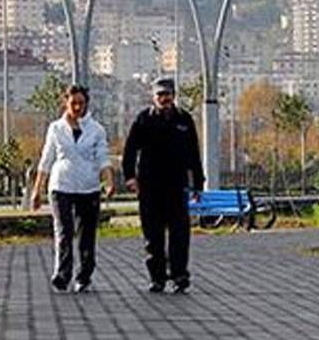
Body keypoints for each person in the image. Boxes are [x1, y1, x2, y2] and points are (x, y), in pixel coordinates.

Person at [122, 77, 204, 294]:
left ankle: (179, 275)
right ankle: (157, 277)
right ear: (153, 97)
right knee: (153, 236)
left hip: (176, 186)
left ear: (174, 96)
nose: (164, 98)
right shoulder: (143, 120)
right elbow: (130, 150)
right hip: (150, 187)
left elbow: (193, 154)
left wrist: (198, 184)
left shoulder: (184, 120)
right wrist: (130, 176)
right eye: (160, 95)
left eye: (168, 94)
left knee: (179, 235)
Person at [31, 85, 114, 294]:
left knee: (87, 234)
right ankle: (62, 274)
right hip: (62, 186)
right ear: (65, 103)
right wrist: (37, 189)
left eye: (81, 103)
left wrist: (109, 181)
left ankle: (84, 275)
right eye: (73, 103)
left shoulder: (96, 129)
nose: (77, 107)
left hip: (89, 187)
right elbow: (46, 159)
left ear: (87, 104)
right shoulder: (56, 128)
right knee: (63, 231)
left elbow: (104, 157)